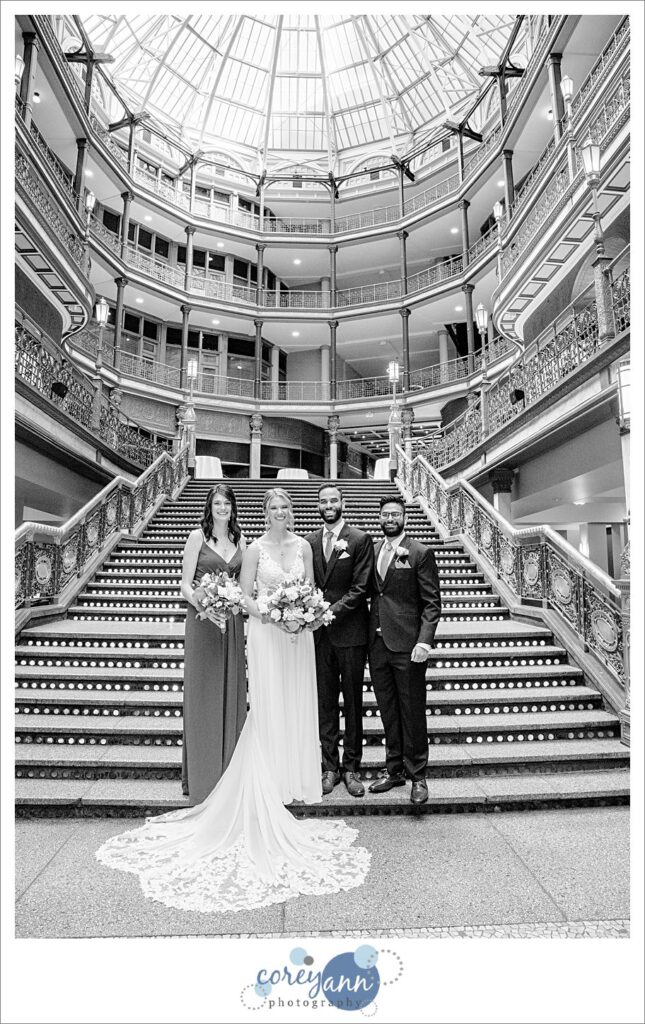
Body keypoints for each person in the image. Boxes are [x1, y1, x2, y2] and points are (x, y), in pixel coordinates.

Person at [96, 487, 370, 913]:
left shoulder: (303, 546)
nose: (280, 511)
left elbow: (312, 587)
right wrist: (274, 614)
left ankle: (300, 776)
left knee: (299, 703)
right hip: (264, 632)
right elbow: (244, 593)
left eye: (285, 506)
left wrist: (303, 615)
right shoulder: (253, 547)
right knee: (267, 705)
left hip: (297, 638)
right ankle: (266, 777)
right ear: (263, 512)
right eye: (273, 506)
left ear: (292, 511)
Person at [368, 495, 442, 805]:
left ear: (404, 518)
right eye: (385, 514)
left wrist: (424, 641)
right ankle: (394, 768)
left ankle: (418, 776)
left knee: (412, 711)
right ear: (380, 517)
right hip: (378, 646)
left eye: (395, 514)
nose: (389, 519)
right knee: (388, 710)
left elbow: (431, 602)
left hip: (409, 646)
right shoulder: (371, 551)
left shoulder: (419, 552)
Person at [179, 484, 247, 806]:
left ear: (233, 508)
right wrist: (202, 605)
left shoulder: (240, 540)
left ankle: (228, 771)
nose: (222, 508)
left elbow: (242, 586)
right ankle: (203, 775)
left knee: (230, 693)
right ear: (210, 507)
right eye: (217, 503)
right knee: (203, 693)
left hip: (231, 623)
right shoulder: (197, 537)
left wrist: (230, 605)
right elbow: (184, 583)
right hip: (203, 623)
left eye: (227, 503)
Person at [306, 484, 374, 798]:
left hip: (350, 634)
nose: (329, 505)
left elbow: (361, 589)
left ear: (343, 503)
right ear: (318, 506)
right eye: (323, 501)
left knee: (353, 703)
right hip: (319, 637)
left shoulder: (360, 540)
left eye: (334, 500)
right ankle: (329, 767)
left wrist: (328, 613)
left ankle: (352, 768)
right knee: (325, 702)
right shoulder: (308, 542)